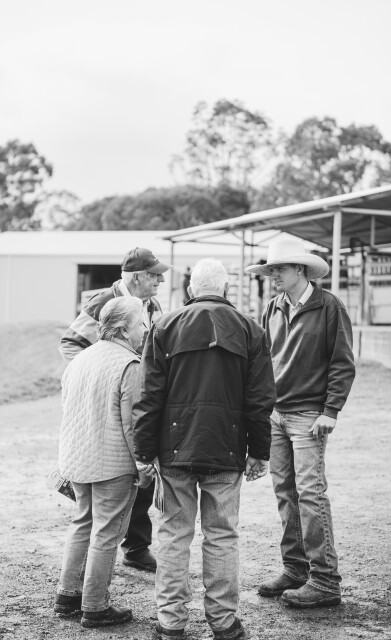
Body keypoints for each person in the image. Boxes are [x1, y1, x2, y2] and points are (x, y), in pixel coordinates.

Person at [132, 258, 276, 640]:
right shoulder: (252, 330)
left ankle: (170, 622)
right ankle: (224, 623)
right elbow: (261, 399)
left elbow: (148, 397)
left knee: (173, 535)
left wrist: (143, 453)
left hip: (174, 449)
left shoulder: (164, 327)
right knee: (222, 535)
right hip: (227, 448)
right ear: (225, 289)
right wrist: (260, 451)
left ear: (191, 289)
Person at [246, 239, 355, 609]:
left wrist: (331, 410)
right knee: (285, 492)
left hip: (310, 416)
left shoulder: (329, 307)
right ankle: (295, 570)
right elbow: (264, 360)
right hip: (276, 414)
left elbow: (342, 362)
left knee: (310, 493)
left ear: (300, 269)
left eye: (279, 268)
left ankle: (325, 580)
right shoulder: (272, 308)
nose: (273, 275)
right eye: (271, 269)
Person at [59, 246, 170, 573]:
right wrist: (100, 374)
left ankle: (136, 546)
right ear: (136, 277)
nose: (161, 281)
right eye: (154, 275)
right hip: (110, 398)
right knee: (114, 472)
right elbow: (70, 343)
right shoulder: (103, 302)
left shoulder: (153, 305)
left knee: (142, 472)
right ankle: (104, 559)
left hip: (141, 394)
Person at [54, 296, 150, 628]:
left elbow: (68, 410)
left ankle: (67, 595)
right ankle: (95, 606)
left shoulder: (79, 360)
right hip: (112, 465)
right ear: (123, 329)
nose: (145, 329)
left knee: (82, 522)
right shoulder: (130, 365)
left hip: (77, 459)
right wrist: (143, 465)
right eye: (140, 323)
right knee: (107, 533)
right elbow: (132, 425)